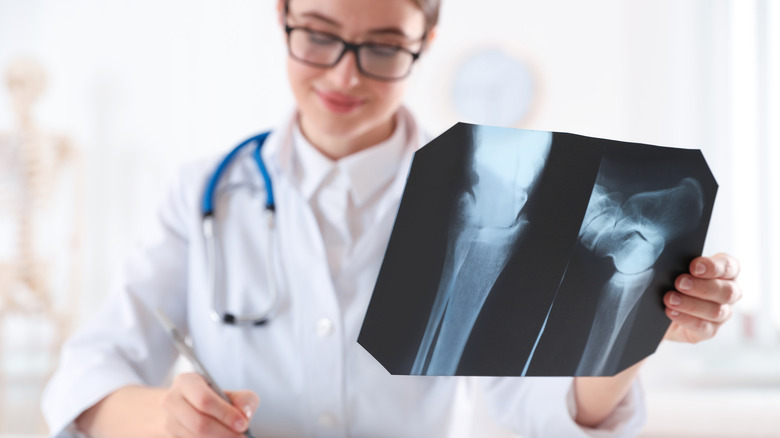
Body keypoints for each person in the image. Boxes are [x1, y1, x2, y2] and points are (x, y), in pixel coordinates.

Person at [41, 0, 743, 436]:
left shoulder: (491, 201)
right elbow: (91, 369)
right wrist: (164, 423)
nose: (345, 76)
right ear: (281, 15)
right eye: (317, 36)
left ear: (425, 39)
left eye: (382, 47)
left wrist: (631, 326)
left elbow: (540, 413)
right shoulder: (202, 194)